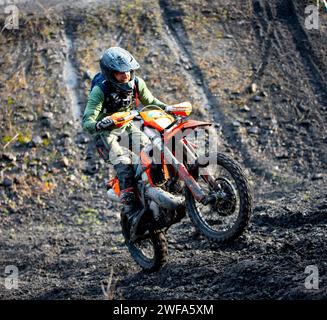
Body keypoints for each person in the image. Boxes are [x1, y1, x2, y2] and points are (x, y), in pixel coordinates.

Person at [82, 47, 168, 237]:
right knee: (124, 164)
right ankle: (131, 210)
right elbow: (87, 121)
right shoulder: (100, 90)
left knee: (152, 151)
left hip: (127, 126)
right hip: (106, 133)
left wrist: (168, 108)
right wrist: (100, 124)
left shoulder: (136, 83)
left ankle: (157, 190)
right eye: (120, 72)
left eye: (128, 71)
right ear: (110, 73)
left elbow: (150, 100)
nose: (125, 75)